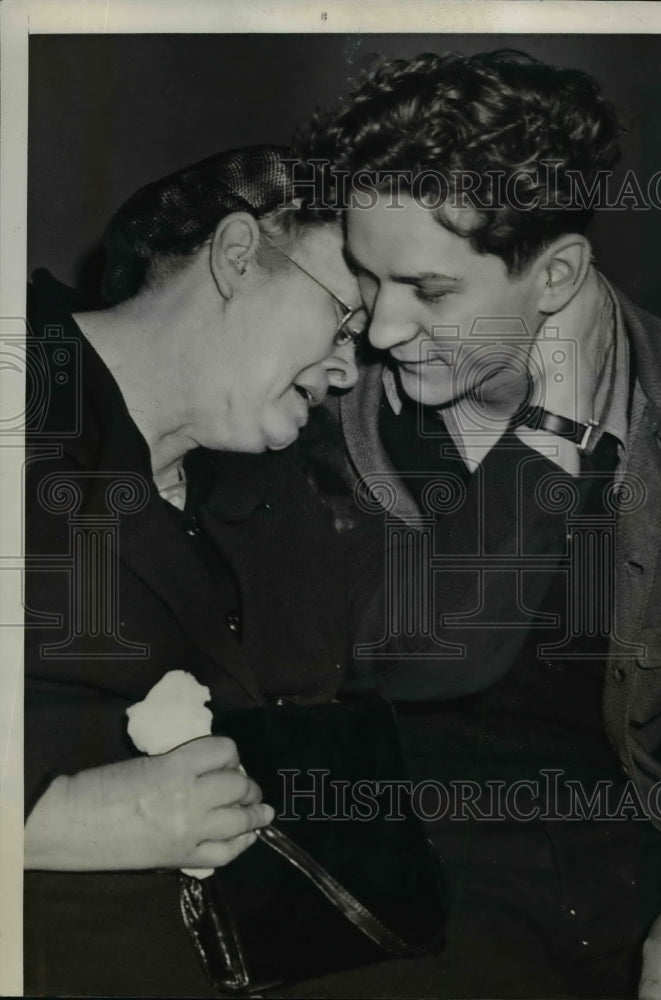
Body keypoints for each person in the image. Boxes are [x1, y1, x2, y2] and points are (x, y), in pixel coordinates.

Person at [292, 51, 661, 1000]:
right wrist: (551, 437)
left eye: (428, 291)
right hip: (400, 855)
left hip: (640, 858)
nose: (377, 330)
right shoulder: (313, 404)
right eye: (367, 279)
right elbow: (407, 655)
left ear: (558, 273)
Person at [23, 145, 366, 996]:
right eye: (344, 320)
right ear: (238, 255)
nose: (349, 369)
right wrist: (41, 823)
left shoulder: (269, 487)